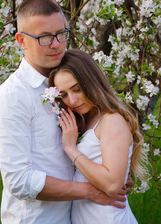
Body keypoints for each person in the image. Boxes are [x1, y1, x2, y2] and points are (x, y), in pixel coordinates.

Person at [0, 0, 132, 224]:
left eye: (61, 33)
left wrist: (113, 174)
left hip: (79, 216)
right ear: (22, 41)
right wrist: (88, 190)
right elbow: (19, 181)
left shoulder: (69, 84)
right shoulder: (11, 98)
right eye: (44, 37)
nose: (56, 44)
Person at [49, 48, 148, 224]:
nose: (71, 100)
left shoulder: (112, 120)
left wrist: (71, 149)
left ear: (91, 81)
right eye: (63, 95)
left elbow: (111, 185)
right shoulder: (85, 121)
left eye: (77, 89)